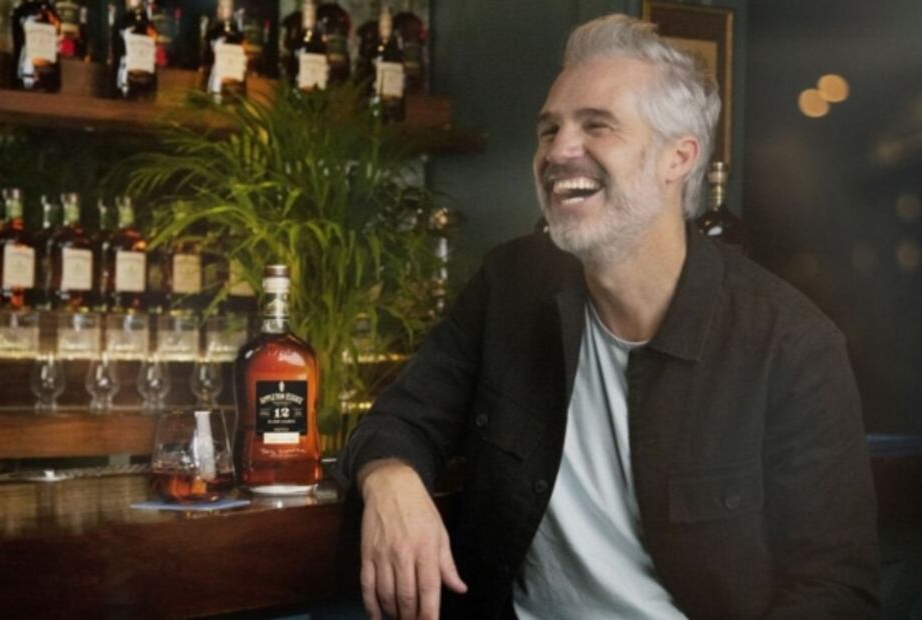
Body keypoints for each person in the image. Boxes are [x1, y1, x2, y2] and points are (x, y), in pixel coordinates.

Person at [340, 13, 879, 620]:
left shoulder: (792, 344)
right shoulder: (510, 283)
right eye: (549, 130)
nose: (557, 151)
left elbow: (835, 590)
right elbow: (400, 419)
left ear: (678, 157)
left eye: (597, 125)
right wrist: (390, 478)